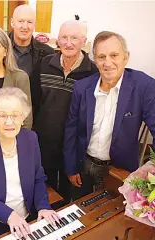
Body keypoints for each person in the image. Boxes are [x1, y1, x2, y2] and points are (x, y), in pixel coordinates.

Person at [63, 31, 155, 193]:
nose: (108, 63)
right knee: (83, 209)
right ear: (95, 60)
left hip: (119, 170)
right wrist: (70, 167)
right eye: (102, 57)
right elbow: (71, 129)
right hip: (84, 164)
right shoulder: (82, 87)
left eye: (114, 55)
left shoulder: (143, 86)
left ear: (126, 57)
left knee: (115, 214)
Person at [0, 87, 59, 240]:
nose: (9, 122)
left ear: (23, 117)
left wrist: (43, 206)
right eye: (2, 115)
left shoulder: (31, 139)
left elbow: (38, 178)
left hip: (26, 217)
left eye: (15, 115)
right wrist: (9, 215)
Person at [32, 20, 98, 201]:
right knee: (46, 192)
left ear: (84, 41)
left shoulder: (93, 72)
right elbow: (33, 102)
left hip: (74, 145)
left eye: (74, 38)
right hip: (44, 142)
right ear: (57, 41)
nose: (68, 43)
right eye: (64, 38)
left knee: (72, 193)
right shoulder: (44, 64)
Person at [9, 4, 54, 115]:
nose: (25, 27)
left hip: (33, 114)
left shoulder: (47, 53)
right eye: (21, 21)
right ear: (12, 23)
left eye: (29, 22)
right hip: (3, 112)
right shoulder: (0, 47)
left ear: (35, 25)